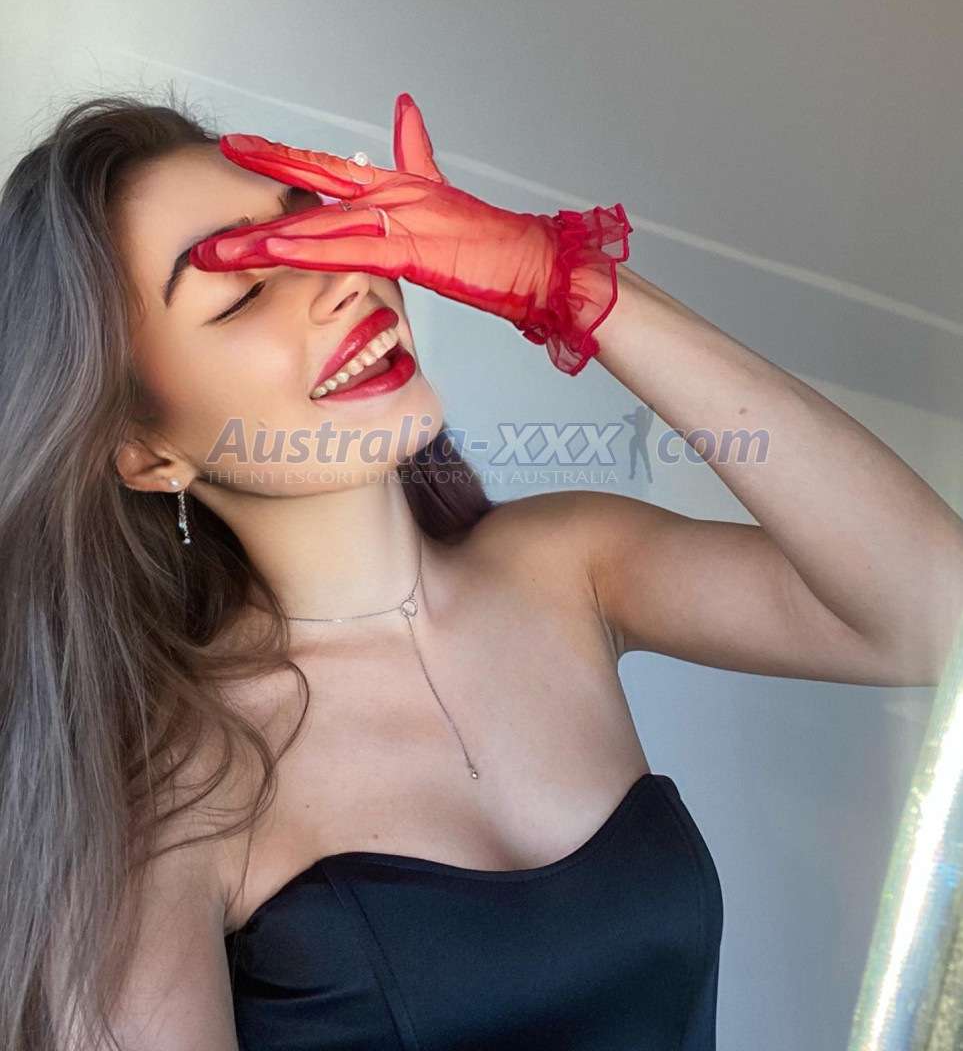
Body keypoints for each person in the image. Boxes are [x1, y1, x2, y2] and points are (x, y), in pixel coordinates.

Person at [1, 88, 958, 1051]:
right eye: (246, 289)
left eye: (322, 234)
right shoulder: (162, 797)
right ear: (147, 453)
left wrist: (571, 288)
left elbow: (934, 617)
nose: (340, 284)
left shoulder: (571, 567)